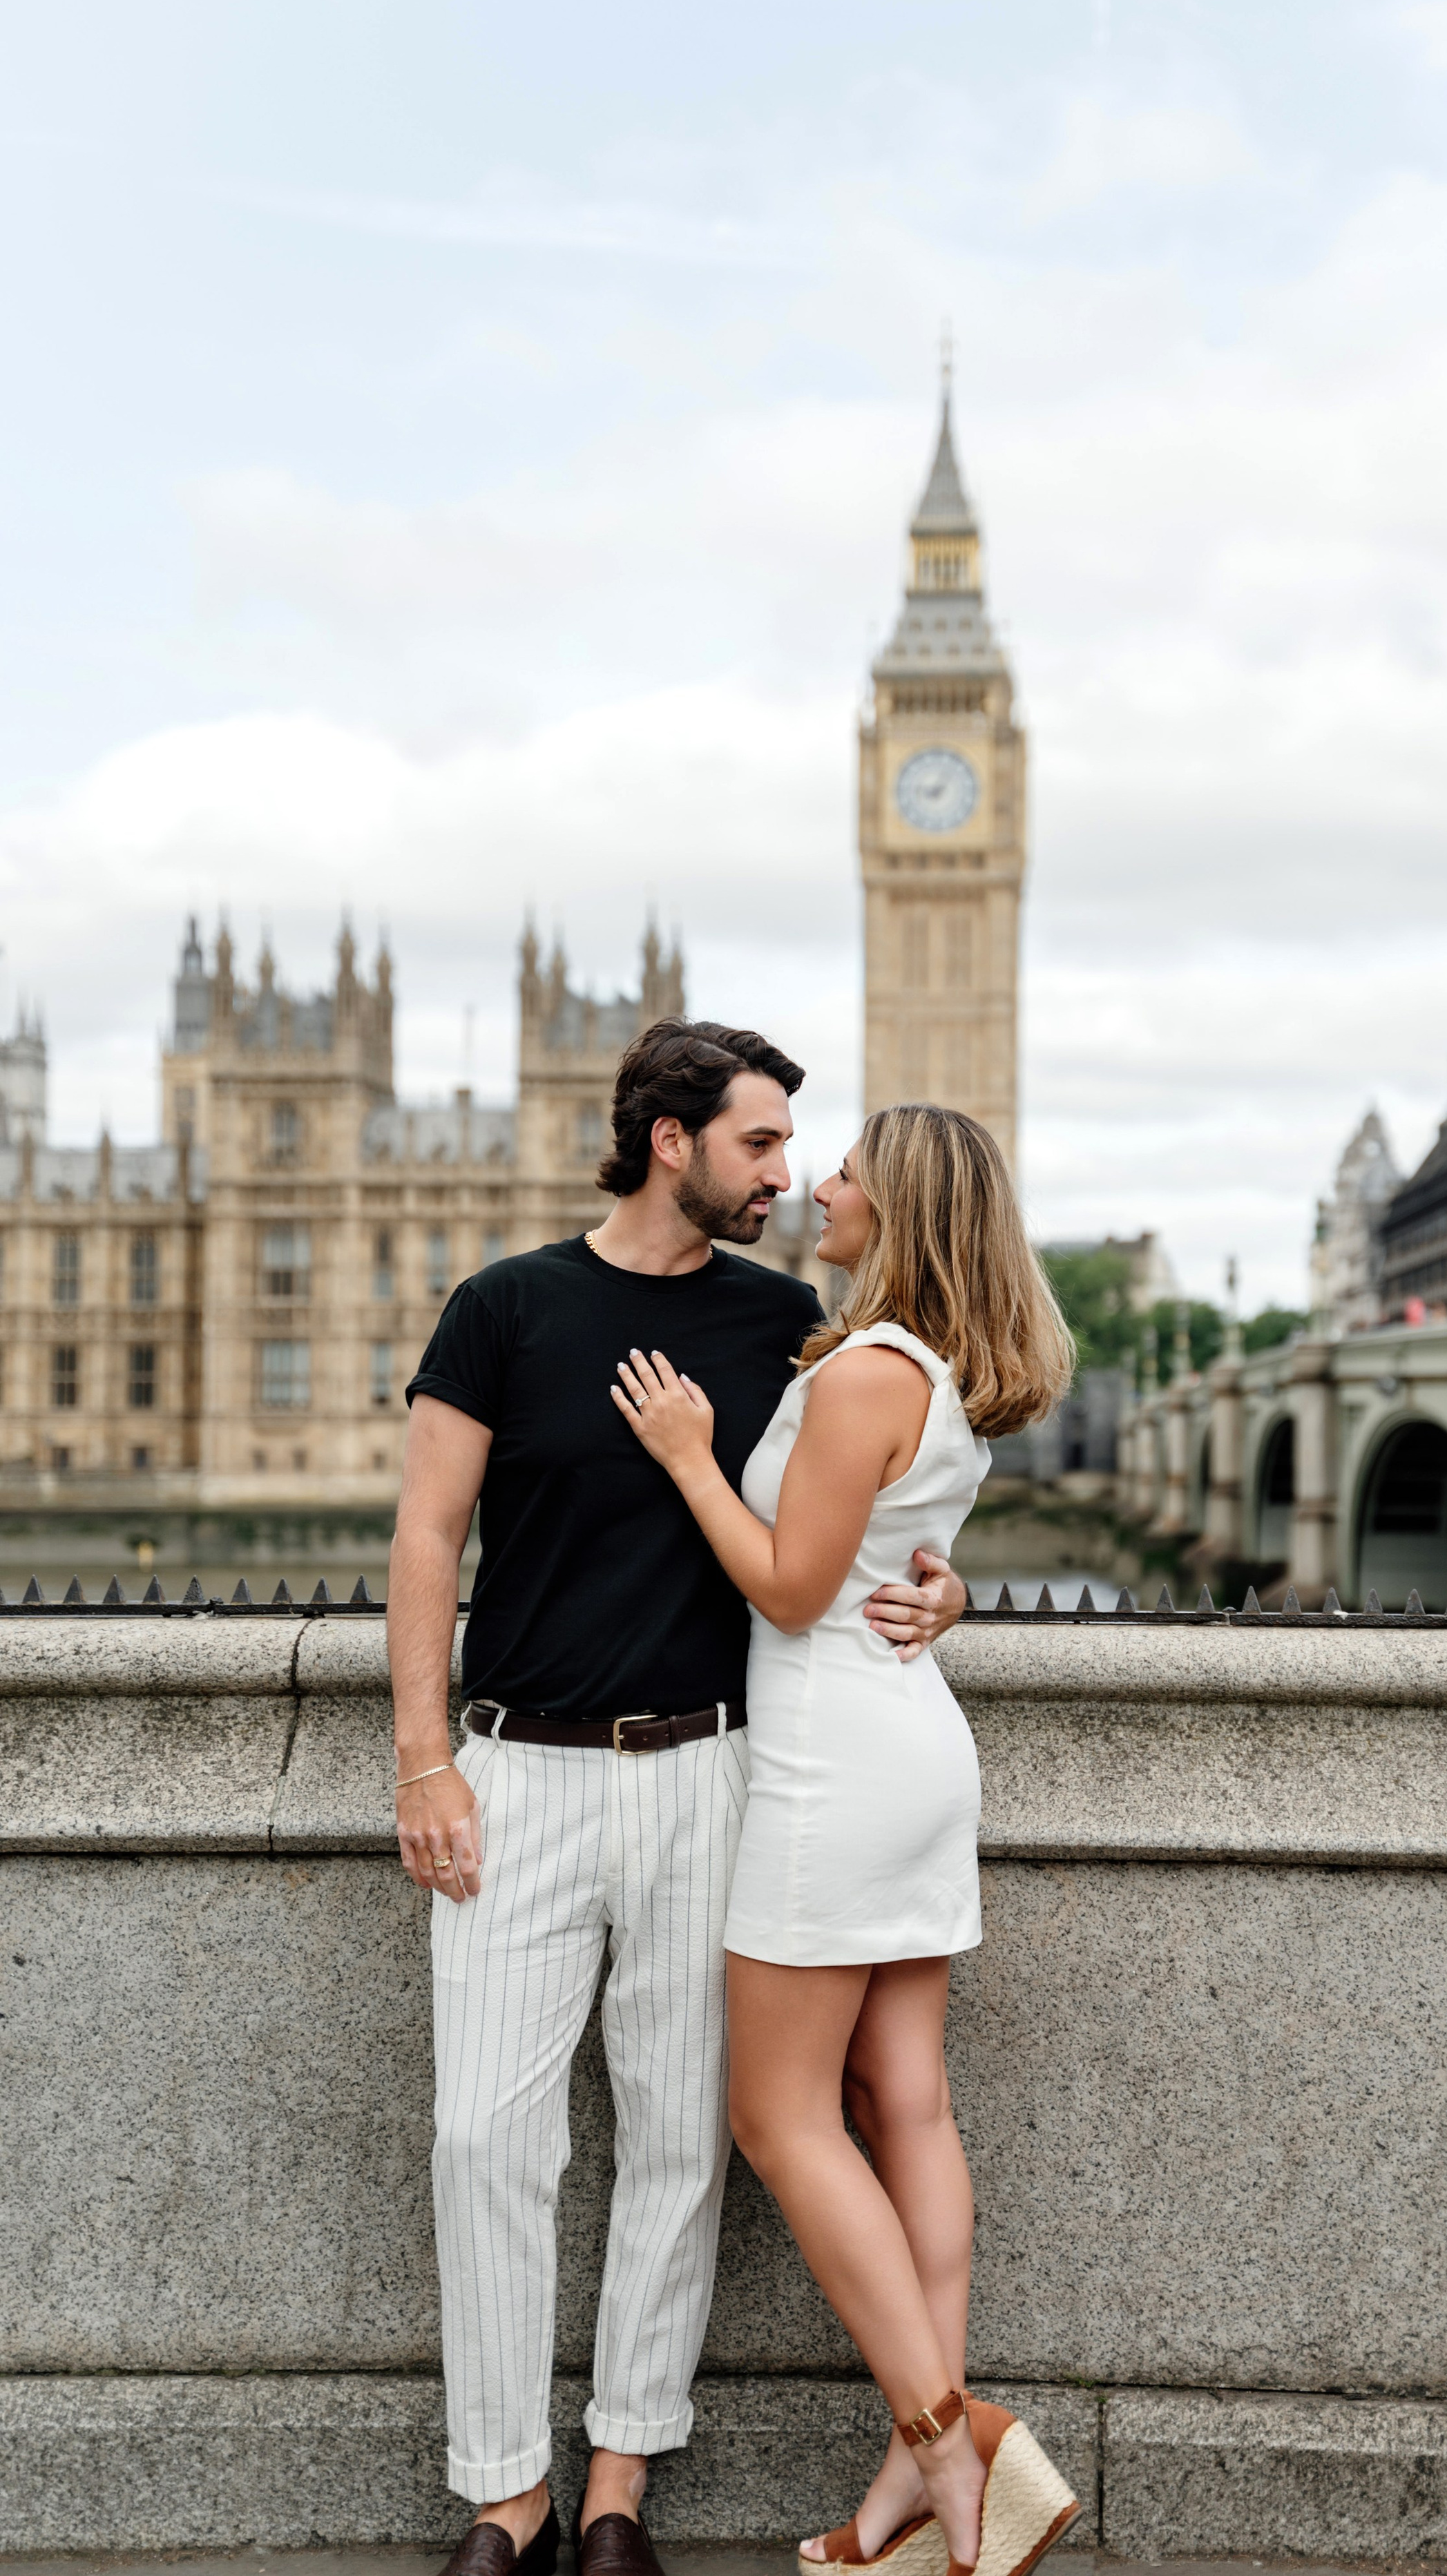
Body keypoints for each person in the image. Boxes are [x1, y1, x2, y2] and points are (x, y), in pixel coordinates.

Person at [389, 1023, 968, 2576]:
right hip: (515, 1770)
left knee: (676, 2145)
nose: (789, 1173)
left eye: (796, 1150)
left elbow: (882, 1498)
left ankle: (615, 2493)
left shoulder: (792, 1324)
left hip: (715, 1771)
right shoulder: (505, 1308)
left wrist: (946, 1587)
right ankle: (500, 2493)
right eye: (762, 1144)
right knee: (482, 2138)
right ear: (669, 1139)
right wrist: (421, 1757)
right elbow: (430, 1539)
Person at [611, 1102, 1077, 2576]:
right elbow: (894, 1564)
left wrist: (690, 1453)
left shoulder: (869, 1369)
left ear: (903, 1206)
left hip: (829, 1761)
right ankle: (908, 2488)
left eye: (849, 1169)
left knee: (781, 2115)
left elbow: (793, 1588)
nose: (820, 1183)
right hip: (907, 1742)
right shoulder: (938, 1374)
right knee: (904, 2098)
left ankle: (954, 2439)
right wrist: (946, 1594)